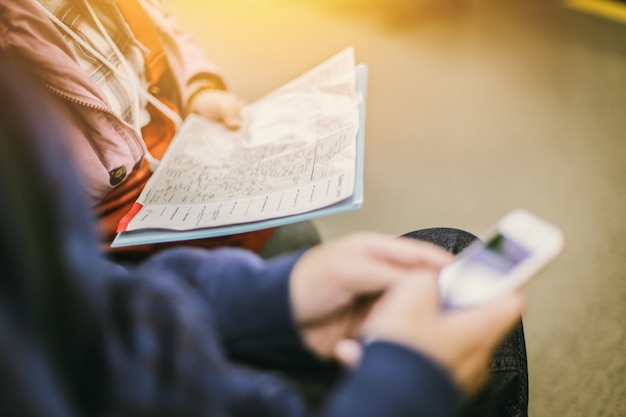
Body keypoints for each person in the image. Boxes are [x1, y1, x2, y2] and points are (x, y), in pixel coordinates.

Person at [0, 53, 528, 417]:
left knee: (442, 254)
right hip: (137, 240)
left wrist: (274, 299)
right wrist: (403, 391)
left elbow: (69, 302)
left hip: (143, 331)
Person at [0, 0, 320, 262]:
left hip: (171, 145)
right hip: (93, 221)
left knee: (297, 235)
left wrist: (198, 88)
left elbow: (164, 24)